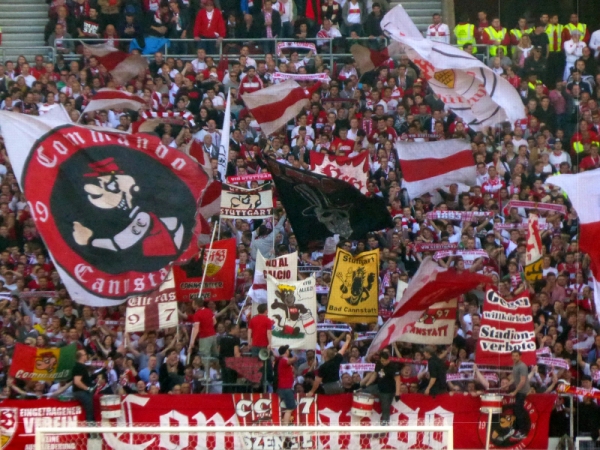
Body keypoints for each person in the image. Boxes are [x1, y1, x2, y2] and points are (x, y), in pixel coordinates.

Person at [361, 350, 400, 425]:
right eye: (382, 360)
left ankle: (385, 425)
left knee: (385, 409)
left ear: (388, 359)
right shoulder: (379, 363)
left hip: (387, 391)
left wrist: (397, 393)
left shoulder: (393, 367)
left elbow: (397, 380)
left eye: (384, 361)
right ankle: (361, 410)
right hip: (378, 387)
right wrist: (367, 384)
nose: (383, 362)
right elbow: (375, 375)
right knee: (365, 391)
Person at [509, 350, 530, 439]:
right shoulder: (515, 365)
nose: (514, 357)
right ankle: (517, 429)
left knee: (519, 411)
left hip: (523, 391)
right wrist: (507, 384)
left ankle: (522, 432)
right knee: (516, 411)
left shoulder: (522, 366)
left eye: (516, 356)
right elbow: (515, 379)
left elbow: (522, 381)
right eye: (513, 356)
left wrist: (515, 391)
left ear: (520, 356)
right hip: (519, 391)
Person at [275, 346, 297, 427]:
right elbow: (291, 360)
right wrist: (295, 355)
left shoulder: (280, 360)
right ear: (286, 352)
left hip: (284, 387)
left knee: (289, 407)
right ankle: (285, 426)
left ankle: (285, 425)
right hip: (285, 388)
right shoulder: (283, 360)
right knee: (290, 408)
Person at [71, 349, 95, 422]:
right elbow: (77, 381)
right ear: (81, 356)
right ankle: (91, 428)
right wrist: (87, 388)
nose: (86, 356)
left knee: (87, 412)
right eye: (85, 354)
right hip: (82, 392)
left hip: (80, 392)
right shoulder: (80, 367)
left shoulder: (79, 366)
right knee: (89, 412)